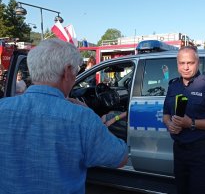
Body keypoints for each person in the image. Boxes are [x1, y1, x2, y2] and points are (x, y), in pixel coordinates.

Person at [0, 38, 128, 193]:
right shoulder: (83, 119)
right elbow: (121, 158)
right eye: (76, 71)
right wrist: (96, 121)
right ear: (67, 72)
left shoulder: (3, 108)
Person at [163, 46, 205, 194]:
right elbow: (166, 113)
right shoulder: (173, 86)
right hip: (179, 150)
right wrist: (169, 124)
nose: (186, 67)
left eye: (190, 63)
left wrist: (191, 123)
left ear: (197, 63)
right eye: (182, 63)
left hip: (202, 152)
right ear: (177, 63)